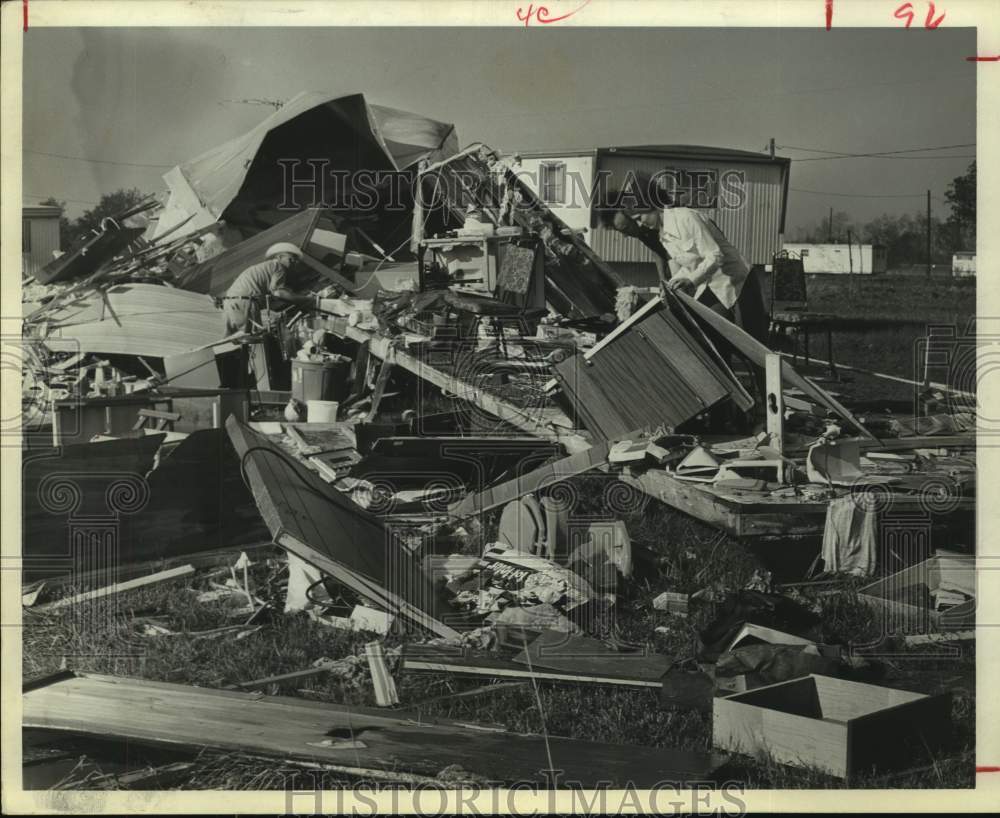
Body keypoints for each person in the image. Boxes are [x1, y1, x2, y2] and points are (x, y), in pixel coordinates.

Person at [604, 183, 769, 343]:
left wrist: (690, 280)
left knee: (751, 343)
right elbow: (687, 265)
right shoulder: (663, 236)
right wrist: (671, 285)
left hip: (738, 281)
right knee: (711, 336)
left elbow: (715, 255)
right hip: (711, 285)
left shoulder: (686, 217)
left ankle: (762, 371)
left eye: (640, 217)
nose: (640, 224)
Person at [221, 242, 318, 335]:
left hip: (229, 302)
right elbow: (278, 293)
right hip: (246, 303)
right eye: (291, 259)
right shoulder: (279, 267)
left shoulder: (266, 267)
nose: (294, 263)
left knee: (230, 342)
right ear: (279, 257)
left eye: (296, 261)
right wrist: (306, 299)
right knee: (252, 340)